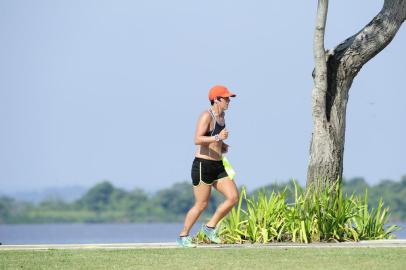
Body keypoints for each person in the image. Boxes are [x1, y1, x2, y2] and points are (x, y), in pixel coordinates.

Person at [176, 85, 239, 248]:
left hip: (218, 165)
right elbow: (197, 139)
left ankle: (210, 228)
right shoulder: (206, 116)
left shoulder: (222, 115)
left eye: (229, 98)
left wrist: (222, 145)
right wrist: (218, 137)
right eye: (226, 98)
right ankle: (183, 236)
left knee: (233, 197)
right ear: (216, 99)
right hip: (203, 165)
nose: (229, 101)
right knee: (201, 204)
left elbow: (213, 139)